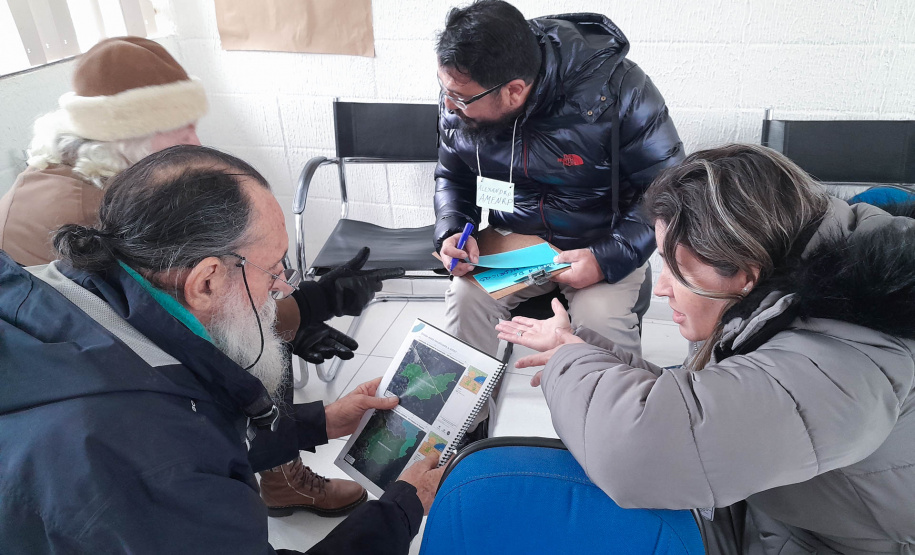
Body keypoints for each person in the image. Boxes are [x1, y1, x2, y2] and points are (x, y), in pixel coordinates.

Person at [0, 35, 385, 515]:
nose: (197, 144)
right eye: (181, 133)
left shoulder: (80, 178)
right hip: (106, 428)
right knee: (258, 346)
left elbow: (190, 304)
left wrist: (302, 318)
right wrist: (308, 308)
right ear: (129, 136)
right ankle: (278, 478)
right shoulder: (88, 218)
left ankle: (280, 477)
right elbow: (197, 331)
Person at [0, 145, 445, 554]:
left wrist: (318, 423)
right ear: (206, 281)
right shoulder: (151, 452)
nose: (283, 287)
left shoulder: (75, 294)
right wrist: (400, 512)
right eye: (273, 270)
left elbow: (196, 411)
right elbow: (176, 447)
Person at [497, 144, 915, 554]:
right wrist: (582, 348)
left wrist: (571, 364)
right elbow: (707, 406)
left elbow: (638, 453)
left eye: (675, 270)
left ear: (743, 272)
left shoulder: (843, 362)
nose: (661, 290)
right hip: (781, 514)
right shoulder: (795, 295)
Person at [434, 0, 684, 365]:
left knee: (600, 322)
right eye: (445, 90)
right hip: (515, 244)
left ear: (514, 91)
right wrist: (453, 231)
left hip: (602, 242)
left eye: (459, 97)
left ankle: (609, 419)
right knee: (465, 298)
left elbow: (667, 192)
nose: (449, 105)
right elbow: (452, 176)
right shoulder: (463, 94)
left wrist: (605, 258)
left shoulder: (619, 90)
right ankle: (468, 418)